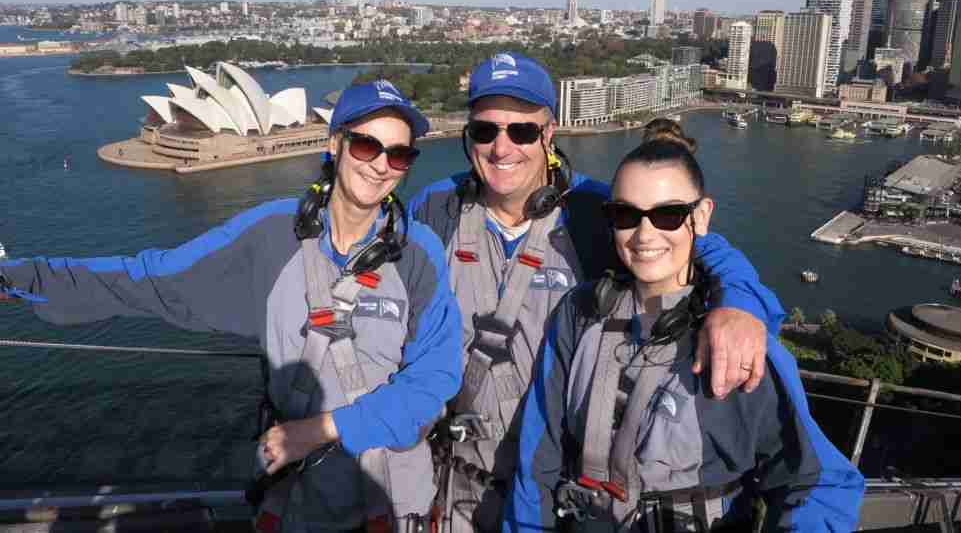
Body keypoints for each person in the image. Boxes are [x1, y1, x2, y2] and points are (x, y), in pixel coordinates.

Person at [0, 79, 463, 533]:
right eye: (366, 146)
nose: (381, 165)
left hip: (392, 500)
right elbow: (149, 280)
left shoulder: (417, 251)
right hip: (300, 500)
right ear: (334, 144)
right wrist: (20, 279)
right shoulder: (270, 236)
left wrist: (319, 429)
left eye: (399, 154)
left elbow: (433, 381)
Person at [408, 54, 786, 533]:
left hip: (552, 488)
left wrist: (739, 305)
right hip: (454, 481)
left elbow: (698, 244)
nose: (502, 148)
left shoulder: (597, 212)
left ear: (549, 135)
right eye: (485, 131)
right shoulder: (437, 209)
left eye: (522, 132)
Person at [504, 121, 864, 533]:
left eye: (669, 215)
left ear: (701, 216)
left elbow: (818, 482)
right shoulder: (579, 314)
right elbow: (540, 456)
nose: (645, 234)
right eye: (625, 215)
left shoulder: (737, 343)